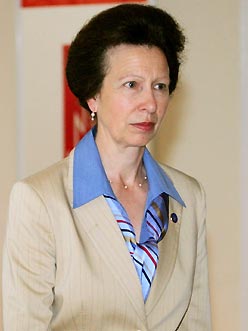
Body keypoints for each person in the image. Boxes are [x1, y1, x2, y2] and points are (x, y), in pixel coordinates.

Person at [2, 4, 211, 331]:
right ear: (93, 97)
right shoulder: (39, 200)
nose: (150, 104)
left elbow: (196, 322)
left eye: (160, 86)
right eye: (132, 85)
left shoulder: (187, 196)